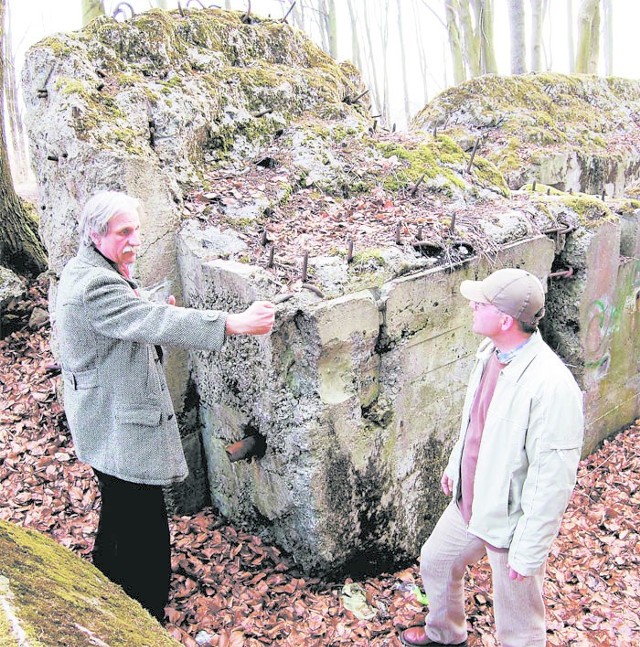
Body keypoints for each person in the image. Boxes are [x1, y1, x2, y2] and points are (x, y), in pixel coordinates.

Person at [55, 190, 275, 622]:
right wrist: (236, 323)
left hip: (101, 413)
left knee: (120, 509)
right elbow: (153, 321)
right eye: (124, 232)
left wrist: (147, 311)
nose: (134, 240)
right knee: (144, 523)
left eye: (137, 230)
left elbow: (131, 318)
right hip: (115, 419)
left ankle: (107, 585)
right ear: (96, 234)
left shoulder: (88, 267)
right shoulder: (96, 283)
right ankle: (144, 613)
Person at [400, 268, 584, 647]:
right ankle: (444, 636)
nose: (471, 305)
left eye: (480, 303)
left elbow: (552, 480)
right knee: (437, 560)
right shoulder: (491, 352)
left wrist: (528, 551)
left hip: (511, 519)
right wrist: (456, 465)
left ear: (504, 319)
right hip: (472, 500)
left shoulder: (551, 385)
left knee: (518, 622)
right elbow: (476, 420)